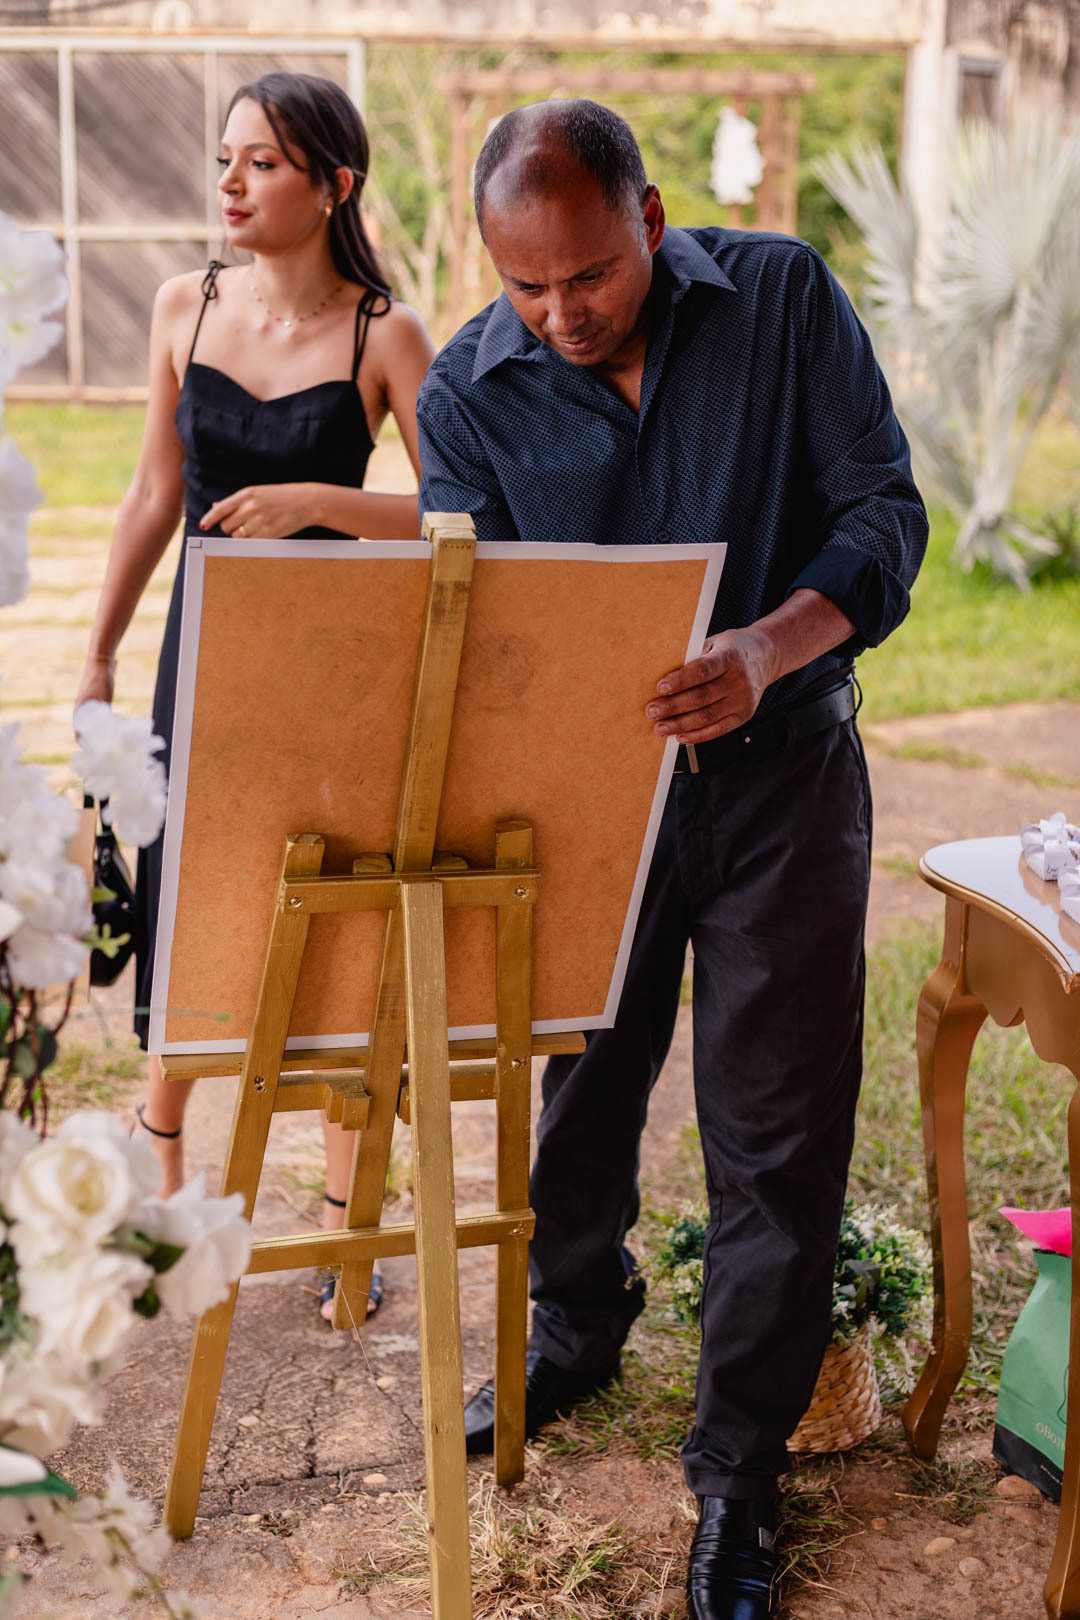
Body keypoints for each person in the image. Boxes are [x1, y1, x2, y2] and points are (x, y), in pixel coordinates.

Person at [415, 100, 927, 1619]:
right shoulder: (464, 393)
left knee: (776, 1128)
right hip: (593, 800)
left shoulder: (780, 297)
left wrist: (766, 652)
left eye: (588, 276)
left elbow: (884, 516)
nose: (561, 315)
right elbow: (491, 633)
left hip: (786, 783)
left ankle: (738, 1475)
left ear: (649, 222)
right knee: (580, 1083)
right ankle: (572, 1336)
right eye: (527, 287)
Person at [75, 71, 435, 1322]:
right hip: (202, 651)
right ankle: (171, 1186)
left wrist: (324, 504)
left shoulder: (384, 334)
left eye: (261, 164)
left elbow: (462, 517)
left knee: (332, 914)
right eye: (225, 160)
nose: (229, 184)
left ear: (334, 184)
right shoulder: (185, 304)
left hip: (335, 673)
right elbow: (148, 498)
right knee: (190, 898)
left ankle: (347, 1226)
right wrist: (101, 653)